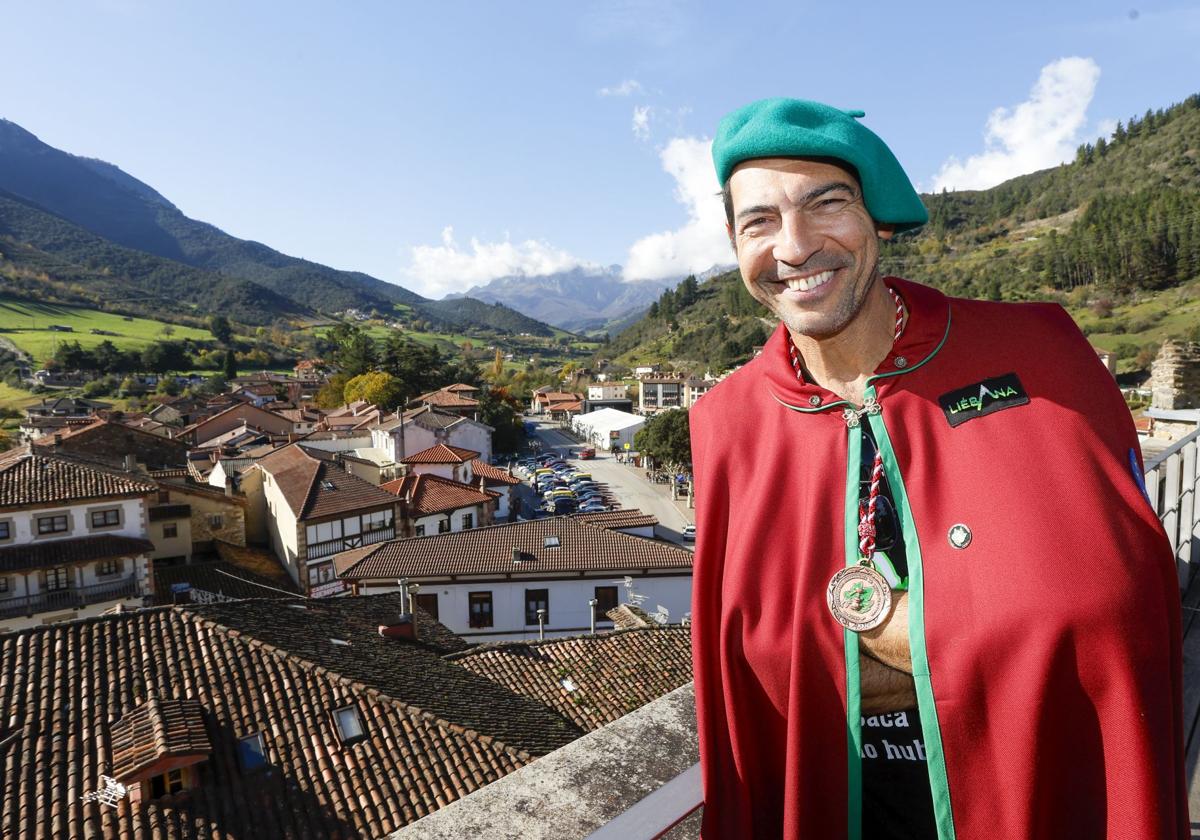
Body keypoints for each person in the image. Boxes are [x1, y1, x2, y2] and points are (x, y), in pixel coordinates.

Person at [688, 98, 1186, 840]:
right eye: (759, 221)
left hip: (1037, 792)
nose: (793, 247)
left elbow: (1118, 597)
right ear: (734, 244)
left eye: (827, 202)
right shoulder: (723, 422)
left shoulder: (1038, 354)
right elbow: (742, 659)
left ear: (877, 219)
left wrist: (885, 625)